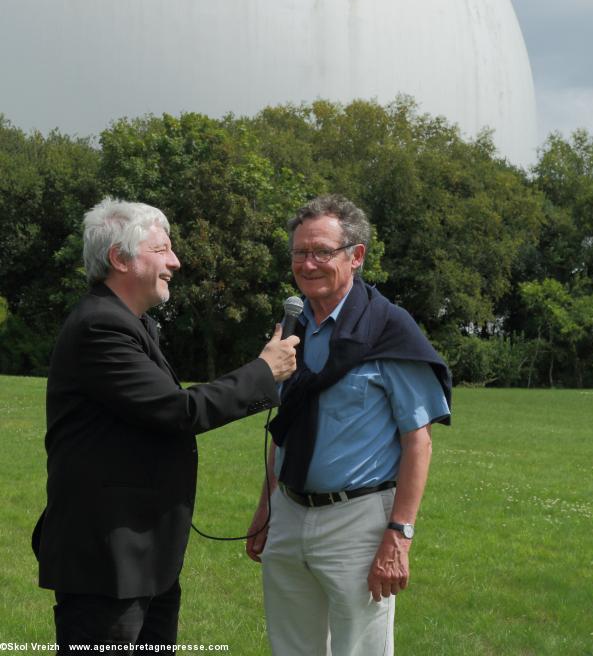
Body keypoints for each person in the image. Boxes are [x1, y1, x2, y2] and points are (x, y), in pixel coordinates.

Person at [32, 197, 299, 647]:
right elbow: (177, 411)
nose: (175, 261)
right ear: (120, 258)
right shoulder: (101, 326)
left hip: (141, 557)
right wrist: (262, 371)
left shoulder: (134, 325)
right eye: (162, 250)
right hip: (108, 560)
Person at [246, 195, 451, 656]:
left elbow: (418, 442)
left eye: (322, 251)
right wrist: (267, 507)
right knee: (290, 648)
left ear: (356, 256)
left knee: (359, 650)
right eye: (300, 253)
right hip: (290, 512)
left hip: (358, 521)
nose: (308, 263)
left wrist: (399, 536)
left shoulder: (390, 328)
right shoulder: (294, 326)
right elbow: (287, 428)